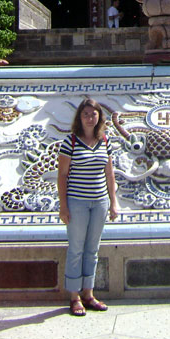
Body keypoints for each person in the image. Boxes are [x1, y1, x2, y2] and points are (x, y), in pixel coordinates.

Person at [57, 97, 119, 316]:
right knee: (76, 248)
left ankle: (89, 293)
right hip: (78, 202)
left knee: (92, 249)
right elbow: (62, 175)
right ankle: (74, 297)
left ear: (99, 117)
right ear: (79, 117)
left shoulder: (104, 140)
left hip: (99, 201)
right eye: (85, 114)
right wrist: (63, 206)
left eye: (93, 114)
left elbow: (109, 173)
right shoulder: (70, 142)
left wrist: (113, 202)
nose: (90, 118)